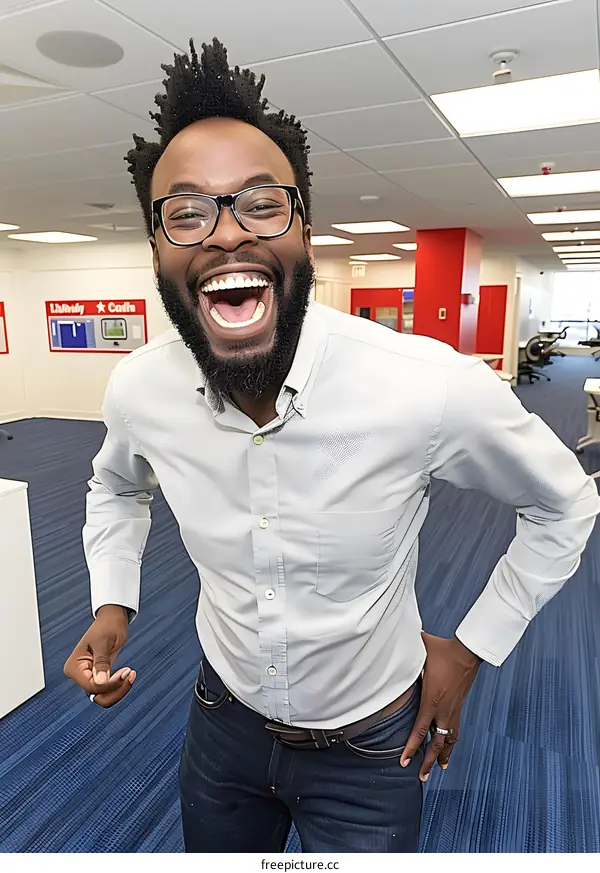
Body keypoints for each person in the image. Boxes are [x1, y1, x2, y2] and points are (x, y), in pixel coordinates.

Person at [64, 38, 600, 854]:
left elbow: (567, 501)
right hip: (220, 724)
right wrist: (113, 600)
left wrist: (471, 647)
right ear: (157, 251)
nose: (223, 234)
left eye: (260, 203)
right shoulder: (141, 388)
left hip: (374, 745)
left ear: (305, 233)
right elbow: (116, 487)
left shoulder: (425, 384)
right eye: (185, 213)